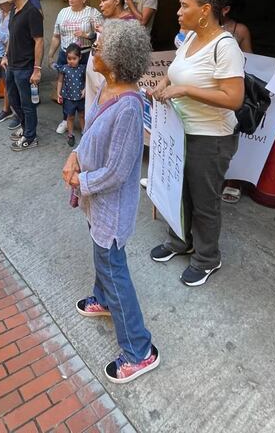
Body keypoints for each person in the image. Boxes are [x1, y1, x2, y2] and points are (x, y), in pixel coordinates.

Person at [62, 19, 160, 383]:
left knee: (113, 265)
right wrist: (74, 156)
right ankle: (102, 298)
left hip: (111, 206)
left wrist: (79, 179)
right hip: (95, 203)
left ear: (118, 58)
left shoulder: (129, 108)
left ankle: (139, 349)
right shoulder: (105, 87)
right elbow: (89, 136)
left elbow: (117, 172)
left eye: (100, 47)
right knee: (100, 252)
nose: (94, 50)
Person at [149, 0, 246, 286]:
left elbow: (234, 98)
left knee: (204, 201)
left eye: (184, 5)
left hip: (211, 137)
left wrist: (186, 90)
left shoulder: (225, 45)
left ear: (205, 11)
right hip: (180, 131)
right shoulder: (190, 37)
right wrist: (163, 84)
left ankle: (207, 258)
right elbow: (176, 69)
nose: (178, 12)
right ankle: (181, 242)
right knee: (179, 192)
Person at [48, 0, 101, 134]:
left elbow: (102, 36)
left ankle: (89, 121)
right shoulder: (63, 13)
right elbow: (56, 36)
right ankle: (66, 119)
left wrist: (86, 35)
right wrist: (50, 54)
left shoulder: (92, 13)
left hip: (84, 56)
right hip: (65, 55)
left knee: (87, 89)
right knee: (65, 89)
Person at [0, 0, 44, 151]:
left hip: (25, 67)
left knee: (27, 104)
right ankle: (26, 128)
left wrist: (37, 69)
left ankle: (31, 137)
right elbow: (12, 36)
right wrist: (5, 55)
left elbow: (39, 41)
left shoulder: (32, 12)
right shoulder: (13, 10)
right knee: (14, 101)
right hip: (11, 64)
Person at [54, 44, 85, 147]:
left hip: (81, 98)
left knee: (82, 115)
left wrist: (85, 90)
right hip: (69, 98)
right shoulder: (64, 69)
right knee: (70, 117)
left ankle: (84, 132)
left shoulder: (82, 68)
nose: (71, 61)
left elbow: (87, 81)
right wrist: (58, 93)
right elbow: (60, 81)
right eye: (69, 58)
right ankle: (70, 134)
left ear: (80, 57)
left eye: (74, 58)